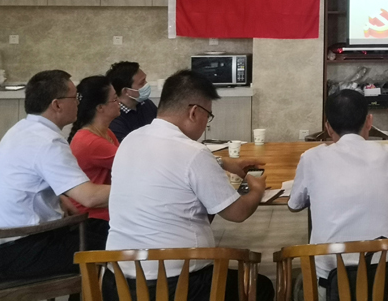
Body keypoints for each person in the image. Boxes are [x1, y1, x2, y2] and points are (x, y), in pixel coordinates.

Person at [104, 70, 273, 301]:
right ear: (194, 112)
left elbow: (168, 164)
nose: (206, 123)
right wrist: (257, 189)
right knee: (260, 286)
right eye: (208, 116)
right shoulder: (194, 152)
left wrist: (223, 163)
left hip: (117, 284)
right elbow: (237, 212)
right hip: (177, 286)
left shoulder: (131, 140)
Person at [288, 89, 388, 301]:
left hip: (330, 285)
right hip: (385, 283)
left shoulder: (311, 158)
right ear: (369, 121)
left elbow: (294, 204)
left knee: (301, 281)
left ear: (328, 127)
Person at [0, 70, 110, 281]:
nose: (78, 103)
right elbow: (90, 197)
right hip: (23, 250)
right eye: (75, 97)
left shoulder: (21, 129)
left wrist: (61, 197)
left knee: (103, 228)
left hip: (5, 245)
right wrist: (138, 189)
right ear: (57, 105)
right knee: (122, 243)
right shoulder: (48, 142)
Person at [67, 75, 122, 243]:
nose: (119, 102)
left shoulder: (106, 133)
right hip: (94, 220)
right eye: (115, 99)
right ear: (100, 107)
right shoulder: (90, 142)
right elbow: (132, 165)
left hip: (106, 211)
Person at [106, 61, 157, 141]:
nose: (146, 84)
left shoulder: (147, 104)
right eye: (141, 83)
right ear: (126, 91)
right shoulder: (114, 119)